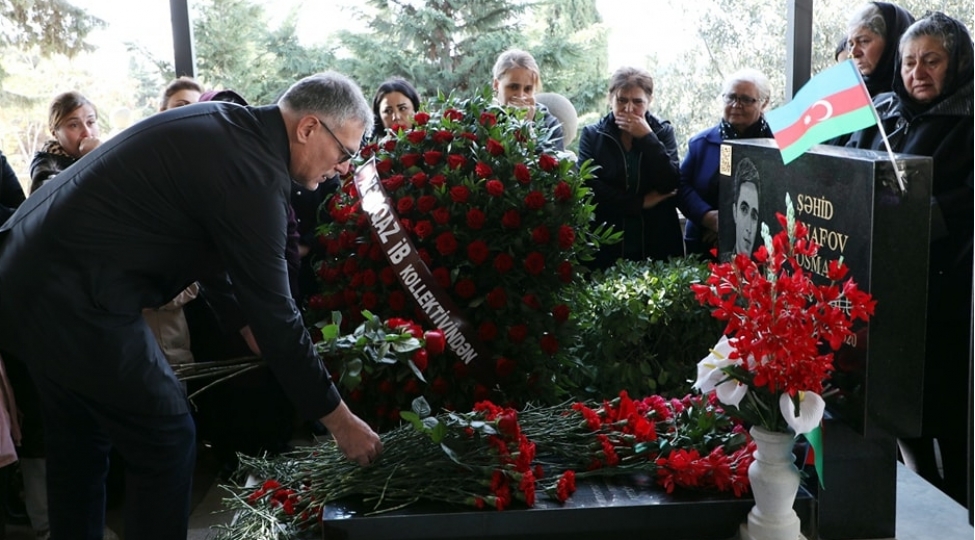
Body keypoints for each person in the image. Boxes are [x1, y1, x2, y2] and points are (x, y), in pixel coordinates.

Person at [0, 71, 383, 538]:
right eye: (345, 153)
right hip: (76, 295)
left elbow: (213, 255)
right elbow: (278, 317)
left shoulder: (228, 128)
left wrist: (243, 323)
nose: (344, 167)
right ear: (307, 129)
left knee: (81, 440)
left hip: (25, 276)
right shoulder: (254, 173)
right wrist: (341, 423)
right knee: (166, 435)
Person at [846, 11, 973, 506]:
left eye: (932, 61)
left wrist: (921, 214)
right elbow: (851, 173)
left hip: (948, 299)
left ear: (958, 62)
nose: (917, 73)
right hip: (883, 297)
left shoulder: (971, 121)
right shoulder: (883, 113)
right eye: (908, 62)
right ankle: (921, 503)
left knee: (947, 421)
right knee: (898, 419)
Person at [577, 66, 682, 270]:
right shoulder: (592, 134)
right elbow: (589, 188)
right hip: (606, 239)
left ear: (649, 101)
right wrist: (640, 202)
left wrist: (647, 138)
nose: (628, 109)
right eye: (622, 100)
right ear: (610, 99)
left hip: (656, 239)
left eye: (637, 102)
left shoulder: (663, 132)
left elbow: (671, 182)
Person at [678, 68, 773, 259]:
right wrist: (709, 218)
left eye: (746, 99)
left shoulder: (777, 145)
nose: (736, 105)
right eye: (730, 97)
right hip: (704, 245)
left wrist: (733, 229)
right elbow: (680, 186)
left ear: (764, 103)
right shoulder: (702, 143)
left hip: (760, 249)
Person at [492, 48, 565, 151]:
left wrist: (527, 127)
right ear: (496, 85)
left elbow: (553, 165)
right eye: (513, 87)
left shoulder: (549, 125)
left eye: (528, 89)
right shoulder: (481, 119)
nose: (521, 96)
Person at [29, 91, 101, 194]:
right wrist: (93, 159)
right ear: (54, 132)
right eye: (74, 125)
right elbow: (52, 201)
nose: (87, 133)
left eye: (90, 122)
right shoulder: (46, 162)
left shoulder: (108, 153)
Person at [846, 2, 915, 97]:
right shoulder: (854, 94)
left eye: (863, 41)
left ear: (892, 41)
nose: (853, 53)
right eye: (851, 44)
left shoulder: (920, 92)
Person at [729, 157, 761, 256]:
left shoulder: (765, 268)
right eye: (744, 210)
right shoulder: (722, 266)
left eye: (754, 216)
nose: (749, 227)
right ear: (735, 212)